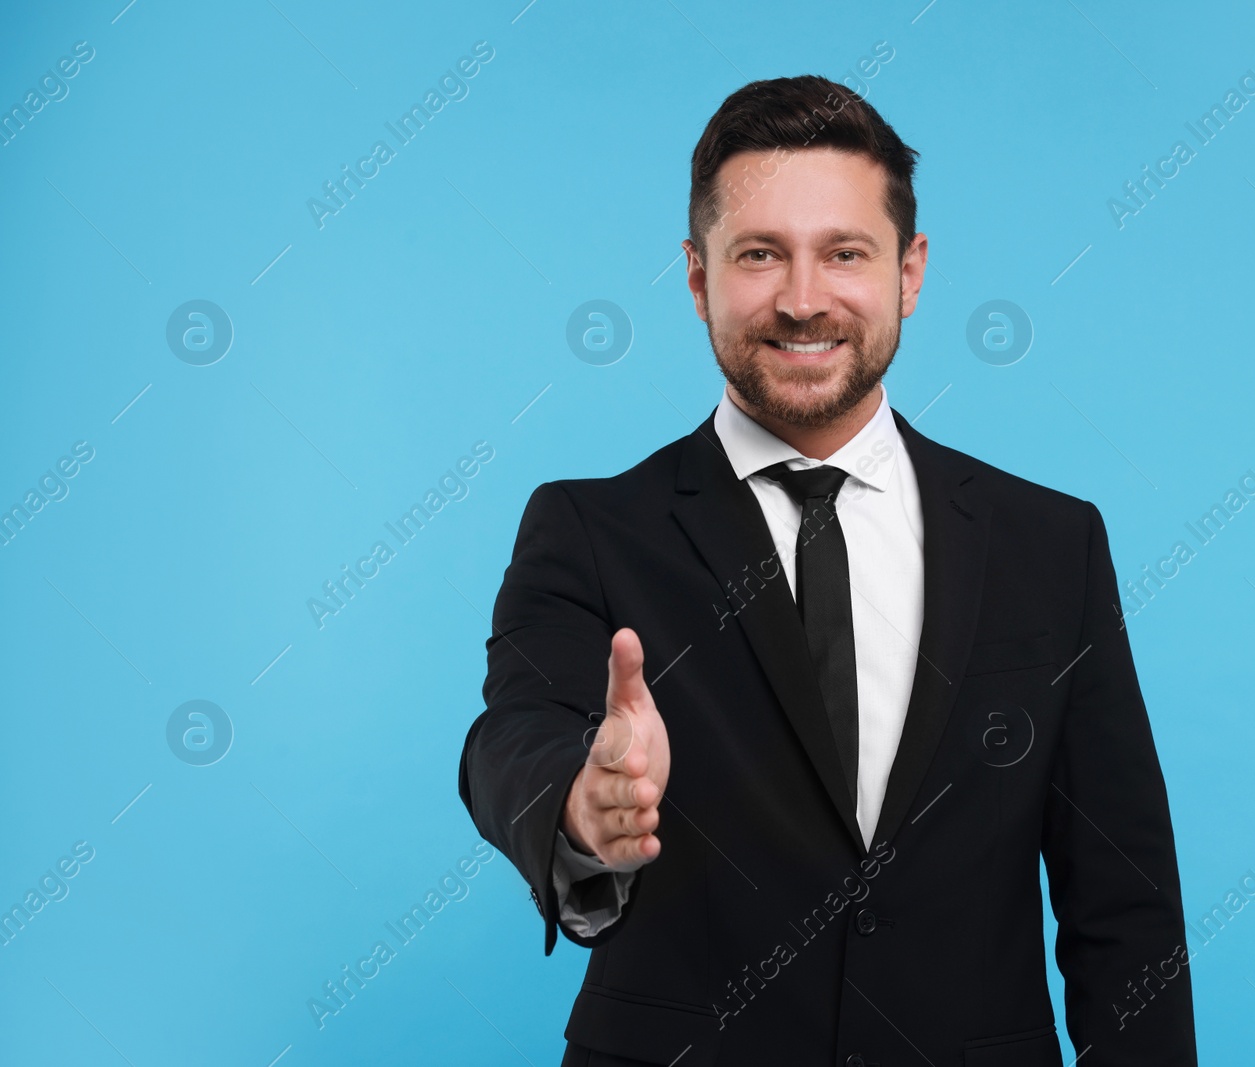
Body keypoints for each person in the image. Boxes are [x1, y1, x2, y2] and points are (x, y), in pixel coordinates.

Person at [458, 74, 1197, 1066]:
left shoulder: (1049, 544)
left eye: (844, 253)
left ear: (909, 272)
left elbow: (1124, 904)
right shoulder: (591, 527)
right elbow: (513, 732)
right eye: (759, 254)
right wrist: (578, 807)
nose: (803, 300)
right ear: (696, 277)